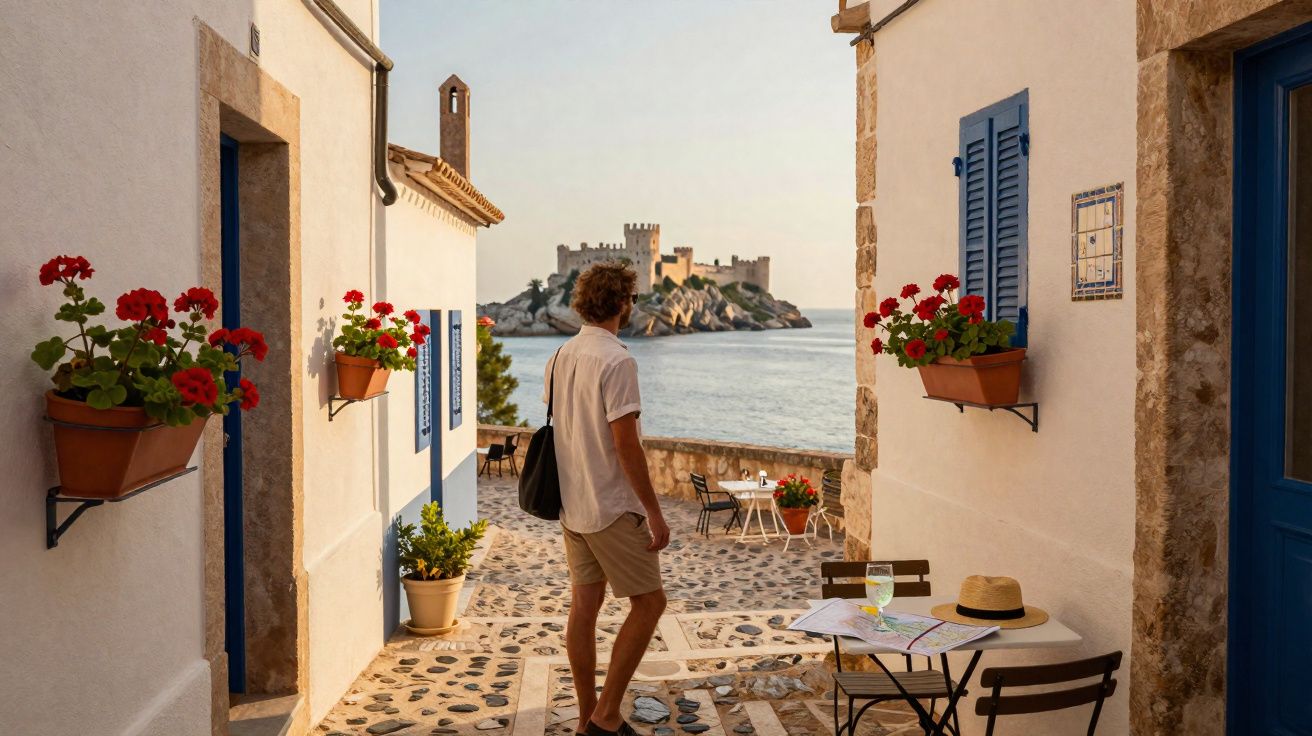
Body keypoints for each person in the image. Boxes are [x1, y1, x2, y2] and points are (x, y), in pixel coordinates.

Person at [543, 262, 670, 736]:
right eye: (632, 299)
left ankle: (585, 717)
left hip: (573, 505)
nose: (632, 306)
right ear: (621, 303)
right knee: (650, 604)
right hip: (612, 507)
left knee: (584, 606)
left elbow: (566, 425)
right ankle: (607, 714)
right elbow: (625, 443)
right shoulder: (618, 360)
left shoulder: (560, 354)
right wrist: (654, 512)